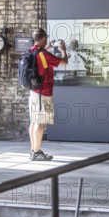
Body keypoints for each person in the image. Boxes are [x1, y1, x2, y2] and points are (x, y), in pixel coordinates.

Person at [28, 28, 68, 161]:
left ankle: (33, 150)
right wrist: (63, 50)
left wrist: (47, 47)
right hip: (43, 93)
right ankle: (37, 152)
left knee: (34, 121)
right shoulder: (44, 55)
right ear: (44, 38)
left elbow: (41, 61)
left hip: (33, 92)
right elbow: (64, 62)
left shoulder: (32, 51)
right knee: (40, 123)